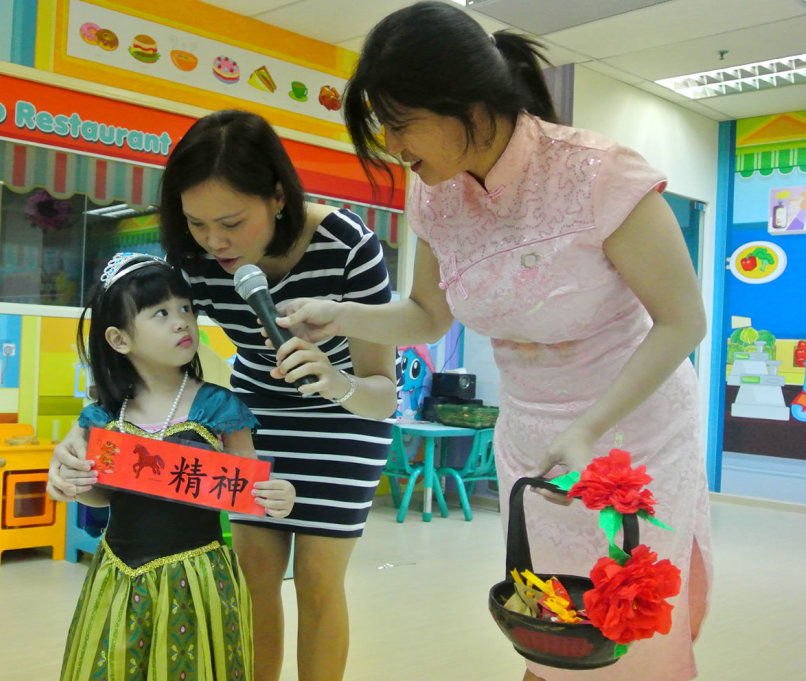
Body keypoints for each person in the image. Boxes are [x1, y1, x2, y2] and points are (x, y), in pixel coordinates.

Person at [275, 3, 713, 681]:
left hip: (632, 434)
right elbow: (428, 316)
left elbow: (682, 321)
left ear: (470, 107)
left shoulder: (598, 173)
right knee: (547, 617)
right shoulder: (434, 194)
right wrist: (338, 314)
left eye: (400, 123)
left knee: (625, 624)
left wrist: (589, 427)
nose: (393, 145)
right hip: (531, 434)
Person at [50, 110, 399, 681]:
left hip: (346, 417)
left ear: (278, 196)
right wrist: (83, 434)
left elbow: (383, 394)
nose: (215, 242)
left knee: (318, 581)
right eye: (197, 223)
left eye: (232, 223)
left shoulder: (347, 246)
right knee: (253, 577)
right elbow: (138, 344)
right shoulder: (194, 258)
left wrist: (333, 381)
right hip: (253, 414)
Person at [52, 251, 296, 681]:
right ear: (119, 340)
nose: (182, 322)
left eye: (185, 308)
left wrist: (281, 495)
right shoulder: (103, 416)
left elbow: (250, 485)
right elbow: (100, 495)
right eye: (160, 313)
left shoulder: (219, 406)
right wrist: (74, 484)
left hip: (198, 576)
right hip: (118, 573)